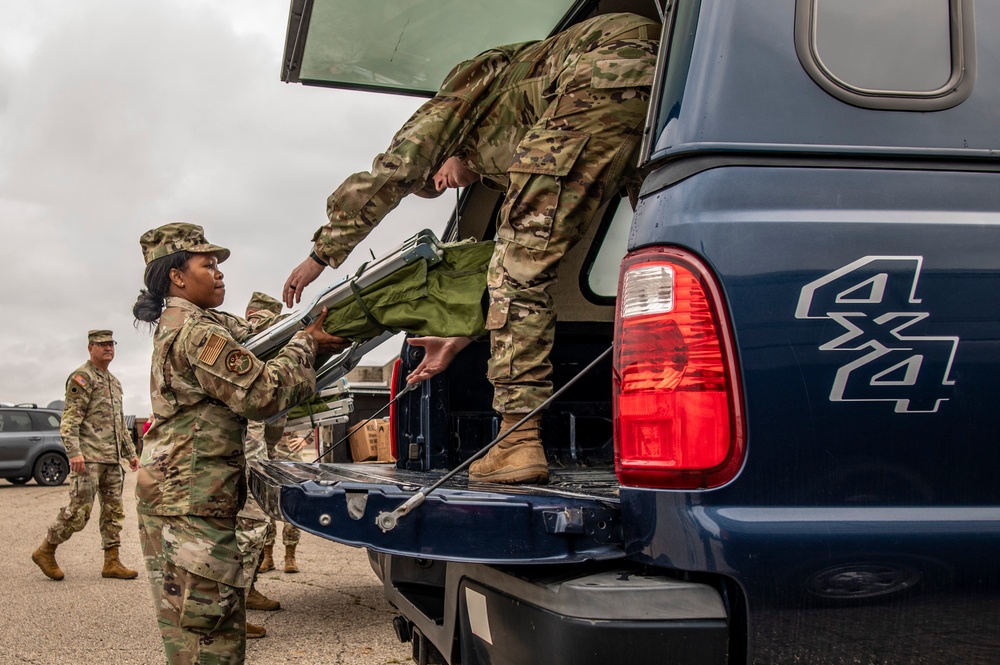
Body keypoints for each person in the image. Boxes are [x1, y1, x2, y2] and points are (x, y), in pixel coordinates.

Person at [283, 13, 660, 484]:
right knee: (662, 251)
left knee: (518, 270)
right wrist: (461, 338)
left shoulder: (465, 90)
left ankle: (517, 440)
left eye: (434, 181)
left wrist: (321, 254)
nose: (438, 185)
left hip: (603, 73)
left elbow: (395, 168)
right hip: (663, 87)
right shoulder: (519, 117)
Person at [132, 222, 347, 663]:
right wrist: (305, 344)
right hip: (190, 503)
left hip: (185, 498)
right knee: (210, 639)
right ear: (176, 275)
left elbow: (253, 338)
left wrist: (305, 329)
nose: (219, 272)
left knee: (197, 633)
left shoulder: (199, 323)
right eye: (207, 264)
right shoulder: (195, 331)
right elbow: (262, 393)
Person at [31, 329, 141, 581]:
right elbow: (70, 420)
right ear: (90, 348)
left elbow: (118, 424)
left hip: (112, 460)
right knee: (79, 512)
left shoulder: (113, 382)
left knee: (114, 512)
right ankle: (46, 550)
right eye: (101, 344)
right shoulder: (82, 377)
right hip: (89, 458)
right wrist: (74, 453)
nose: (108, 348)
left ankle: (111, 562)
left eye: (111, 344)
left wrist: (130, 453)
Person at [257, 431, 310, 574]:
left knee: (292, 509)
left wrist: (307, 437)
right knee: (266, 508)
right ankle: (267, 557)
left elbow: (317, 415)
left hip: (291, 462)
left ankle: (290, 556)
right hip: (265, 460)